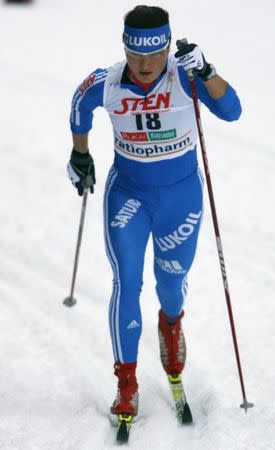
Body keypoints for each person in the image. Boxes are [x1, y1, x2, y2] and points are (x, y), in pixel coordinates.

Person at [67, 5, 241, 418]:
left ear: (167, 47)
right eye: (135, 54)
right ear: (125, 48)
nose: (145, 65)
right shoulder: (105, 82)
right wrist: (80, 156)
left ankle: (171, 322)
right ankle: (126, 382)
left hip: (181, 199)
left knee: (171, 281)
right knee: (126, 281)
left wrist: (208, 70)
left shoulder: (186, 77)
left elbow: (232, 110)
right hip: (128, 196)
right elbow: (78, 107)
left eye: (155, 54)